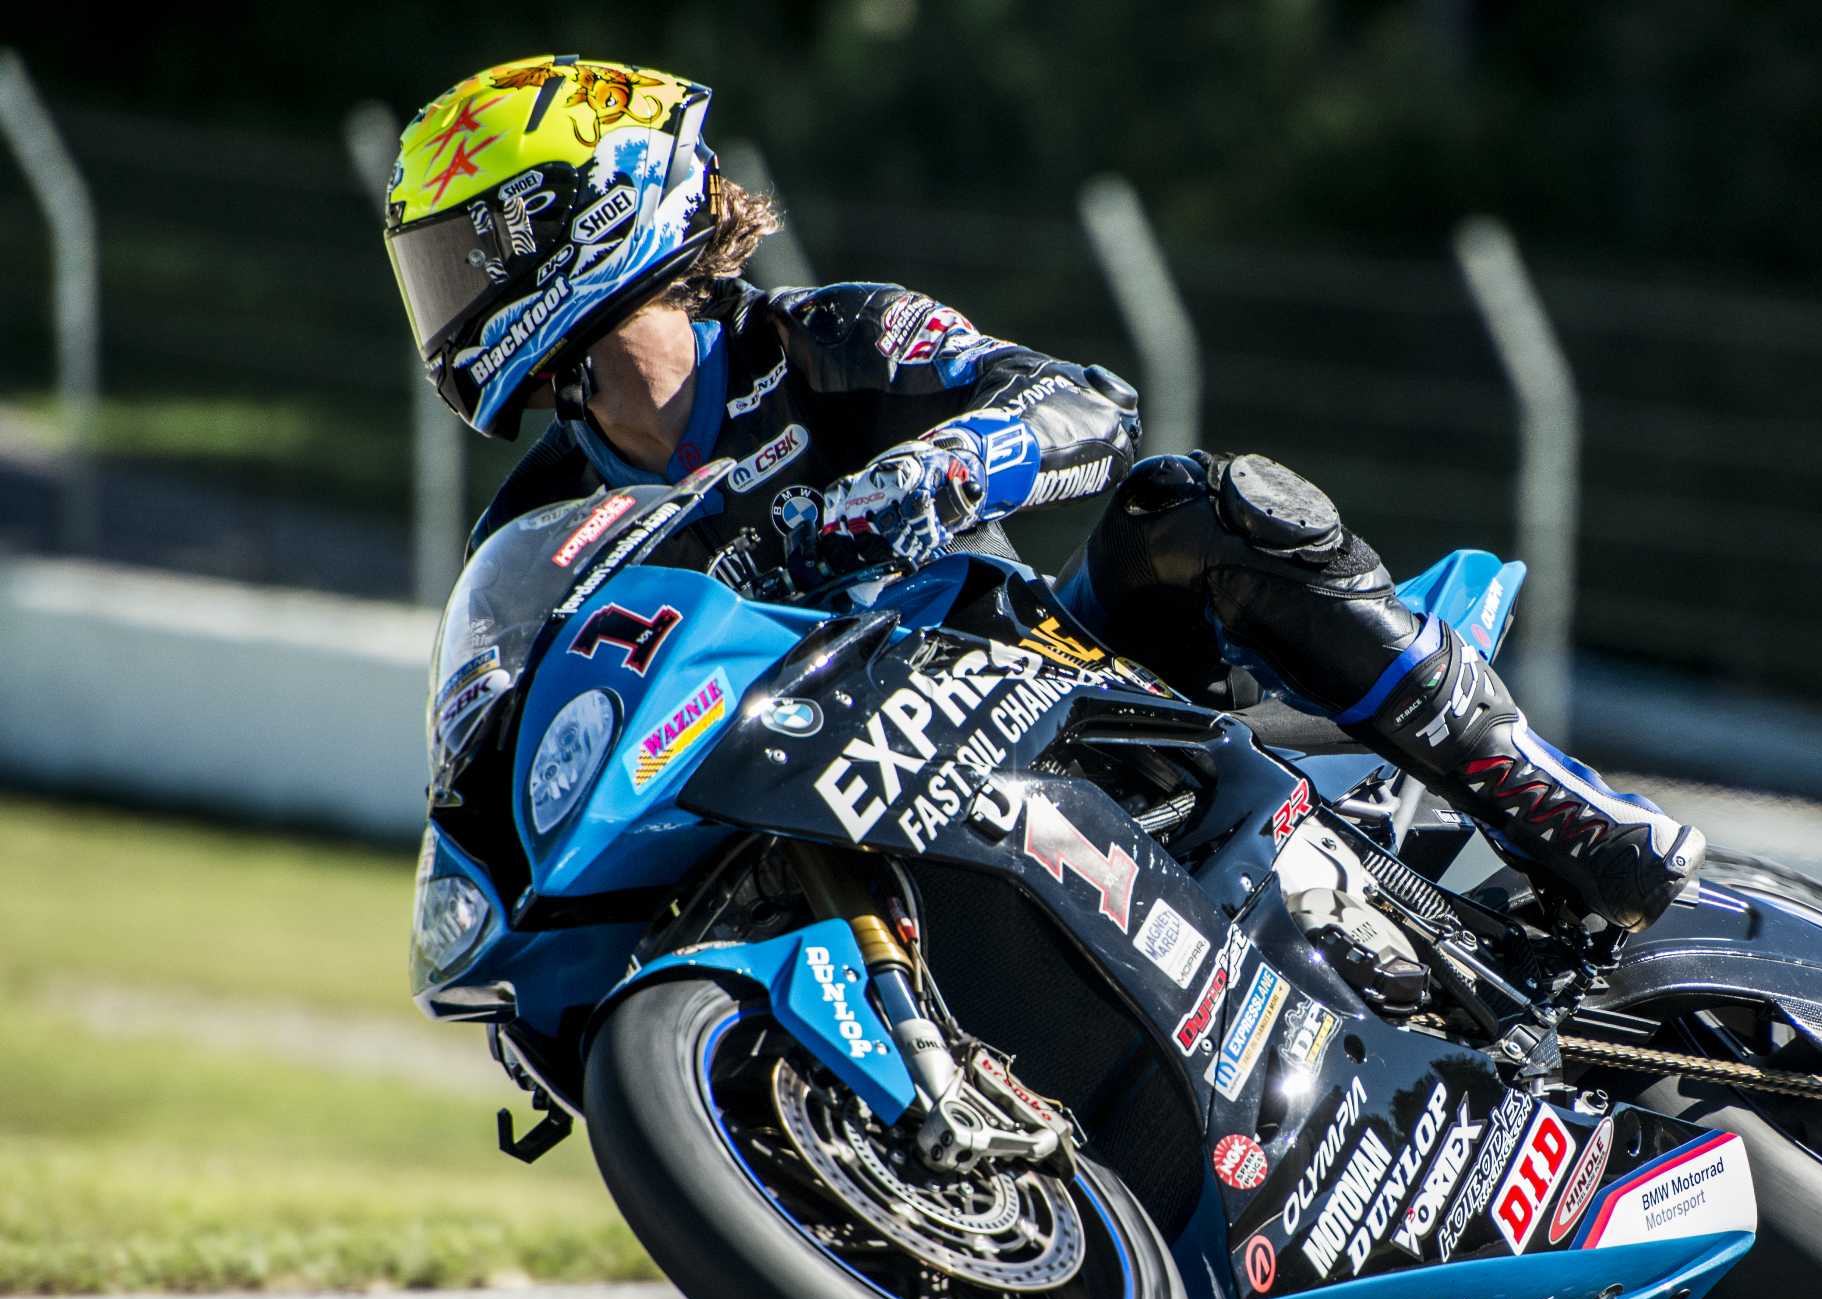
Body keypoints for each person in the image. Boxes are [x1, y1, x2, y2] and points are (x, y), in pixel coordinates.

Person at [382, 55, 1705, 931]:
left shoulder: (833, 340)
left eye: (469, 249)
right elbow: (501, 731)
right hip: (801, 801)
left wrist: (911, 485)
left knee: (1189, 505)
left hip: (1055, 686)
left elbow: (1079, 405)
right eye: (431, 270)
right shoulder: (541, 517)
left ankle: (1563, 811)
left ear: (592, 209)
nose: (448, 301)